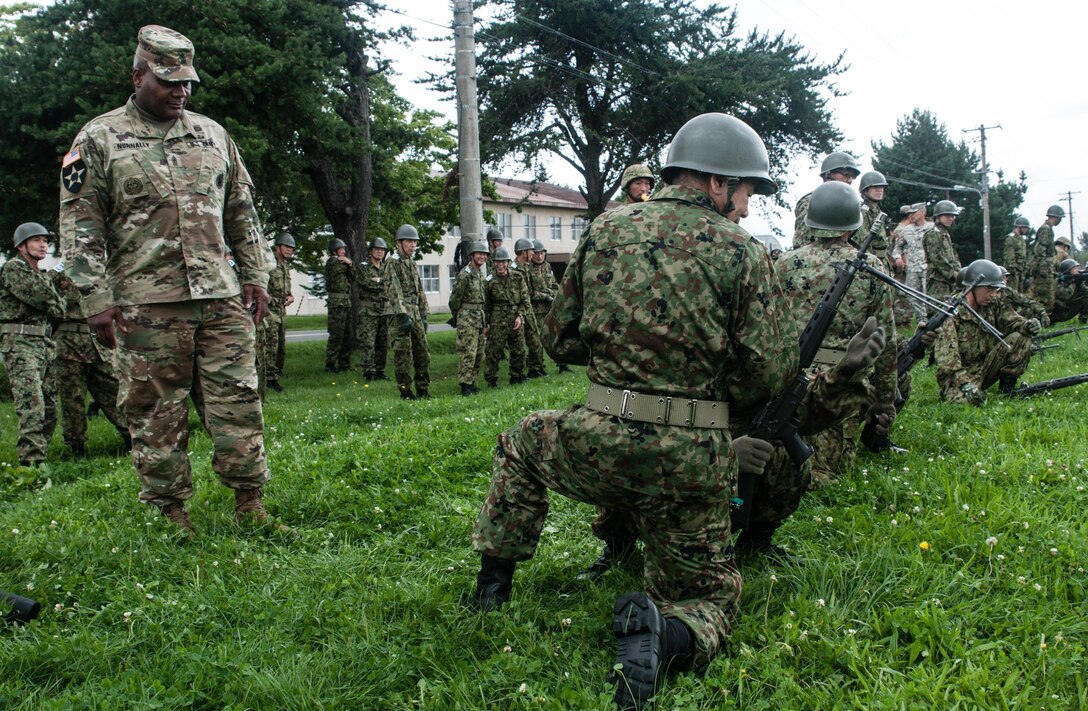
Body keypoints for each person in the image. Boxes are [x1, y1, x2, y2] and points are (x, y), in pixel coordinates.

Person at [470, 112, 795, 709]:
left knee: (522, 442)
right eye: (747, 191)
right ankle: (665, 636)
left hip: (596, 444)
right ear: (717, 183)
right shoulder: (744, 253)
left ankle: (492, 587)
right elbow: (767, 374)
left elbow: (560, 340)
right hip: (687, 465)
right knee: (704, 597)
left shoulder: (603, 230)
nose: (747, 207)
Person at [59, 25, 281, 534]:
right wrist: (95, 298)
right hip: (147, 304)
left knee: (239, 402)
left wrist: (256, 274)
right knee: (156, 412)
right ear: (138, 76)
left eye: (186, 82)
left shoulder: (212, 134)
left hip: (221, 297)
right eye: (167, 81)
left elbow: (242, 211)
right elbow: (79, 226)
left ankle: (250, 502)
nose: (180, 90)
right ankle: (170, 512)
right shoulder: (98, 138)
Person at [775, 182, 897, 489]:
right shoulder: (871, 267)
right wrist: (883, 401)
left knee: (785, 465)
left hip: (789, 382)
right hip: (841, 384)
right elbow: (884, 340)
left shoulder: (785, 263)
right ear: (852, 226)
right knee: (829, 478)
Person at [0, 223, 64, 466]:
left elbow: (60, 306)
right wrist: (55, 301)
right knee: (32, 405)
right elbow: (45, 299)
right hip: (20, 342)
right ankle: (31, 464)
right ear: (21, 245)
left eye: (45, 241)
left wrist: (55, 302)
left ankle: (40, 456)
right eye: (36, 240)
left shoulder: (39, 272)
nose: (43, 245)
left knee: (49, 407)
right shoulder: (14, 269)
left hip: (44, 343)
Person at [51, 262, 129, 456]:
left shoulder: (102, 269)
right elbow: (49, 303)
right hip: (68, 342)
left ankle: (131, 435)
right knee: (73, 397)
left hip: (96, 341)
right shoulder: (58, 272)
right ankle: (77, 447)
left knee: (114, 389)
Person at [935, 259, 1039, 403]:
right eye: (989, 289)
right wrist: (965, 384)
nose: (993, 294)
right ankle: (956, 392)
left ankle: (1007, 389)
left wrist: (1029, 326)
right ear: (973, 286)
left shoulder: (992, 305)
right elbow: (947, 360)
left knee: (1021, 337)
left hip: (985, 367)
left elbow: (1014, 322)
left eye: (995, 289)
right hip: (958, 375)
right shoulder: (952, 312)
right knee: (966, 403)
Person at [387, 224, 430, 399]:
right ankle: (405, 390)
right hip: (400, 315)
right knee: (403, 354)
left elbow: (419, 289)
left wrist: (424, 313)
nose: (413, 245)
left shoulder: (411, 263)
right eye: (409, 241)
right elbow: (393, 289)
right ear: (399, 243)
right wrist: (403, 314)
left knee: (423, 353)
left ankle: (423, 389)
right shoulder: (392, 263)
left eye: (414, 242)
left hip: (415, 311)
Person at [792, 151, 860, 248]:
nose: (850, 180)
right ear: (828, 174)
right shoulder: (811, 200)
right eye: (846, 174)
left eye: (852, 177)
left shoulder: (849, 203)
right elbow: (802, 239)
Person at [482, 247, 528, 387]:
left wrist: (520, 315)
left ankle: (517, 376)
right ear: (493, 263)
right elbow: (486, 304)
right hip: (497, 318)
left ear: (508, 263)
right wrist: (487, 324)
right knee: (494, 350)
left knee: (519, 349)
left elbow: (525, 300)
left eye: (503, 262)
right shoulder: (489, 280)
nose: (500, 265)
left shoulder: (517, 277)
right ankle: (491, 379)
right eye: (497, 262)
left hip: (515, 317)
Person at [449, 241, 488, 395]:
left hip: (479, 318)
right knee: (468, 353)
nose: (482, 257)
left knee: (478, 353)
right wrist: (459, 315)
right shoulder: (465, 274)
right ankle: (465, 385)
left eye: (484, 254)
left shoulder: (479, 274)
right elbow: (454, 299)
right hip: (467, 319)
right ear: (472, 255)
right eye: (479, 254)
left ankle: (472, 382)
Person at [529, 240, 570, 373]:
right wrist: (545, 296)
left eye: (541, 253)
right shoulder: (527, 269)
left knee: (556, 337)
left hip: (550, 310)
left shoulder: (547, 267)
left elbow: (554, 285)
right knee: (537, 341)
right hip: (536, 312)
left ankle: (562, 365)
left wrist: (553, 294)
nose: (539, 256)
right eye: (536, 253)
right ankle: (537, 368)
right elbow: (530, 293)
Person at [261, 232, 295, 392]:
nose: (289, 250)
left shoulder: (284, 265)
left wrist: (290, 296)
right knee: (271, 345)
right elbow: (262, 289)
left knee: (281, 346)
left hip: (281, 311)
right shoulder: (269, 264)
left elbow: (285, 289)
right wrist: (273, 300)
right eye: (287, 247)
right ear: (277, 247)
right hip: (269, 311)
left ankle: (276, 373)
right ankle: (269, 379)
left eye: (292, 248)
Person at [356, 236, 390, 382]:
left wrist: (378, 280)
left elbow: (391, 284)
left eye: (382, 250)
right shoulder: (364, 267)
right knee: (368, 342)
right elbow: (366, 284)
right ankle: (369, 372)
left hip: (383, 310)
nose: (379, 252)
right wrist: (382, 282)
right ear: (371, 251)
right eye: (377, 249)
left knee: (382, 342)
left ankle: (380, 371)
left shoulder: (387, 267)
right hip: (368, 311)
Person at [890, 202, 929, 322]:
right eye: (909, 213)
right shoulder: (906, 230)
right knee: (911, 296)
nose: (911, 215)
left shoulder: (931, 228)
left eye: (914, 212)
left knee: (929, 297)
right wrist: (897, 257)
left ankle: (932, 320)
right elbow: (897, 247)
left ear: (922, 212)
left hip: (928, 268)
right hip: (912, 269)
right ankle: (922, 320)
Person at [513, 237, 545, 378]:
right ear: (523, 252)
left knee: (535, 339)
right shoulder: (513, 269)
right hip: (517, 311)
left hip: (528, 307)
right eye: (531, 250)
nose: (533, 253)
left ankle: (535, 368)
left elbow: (530, 290)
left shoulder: (526, 268)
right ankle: (517, 374)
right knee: (518, 344)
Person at [324, 238, 354, 373]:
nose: (343, 251)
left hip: (346, 303)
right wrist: (348, 263)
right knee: (336, 335)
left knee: (347, 335)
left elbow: (353, 276)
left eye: (344, 249)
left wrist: (351, 264)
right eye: (341, 249)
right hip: (337, 304)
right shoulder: (332, 262)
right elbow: (341, 267)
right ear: (334, 251)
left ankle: (344, 364)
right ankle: (330, 365)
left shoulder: (345, 263)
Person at [923, 200, 963, 303]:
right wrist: (953, 274)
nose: (951, 218)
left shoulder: (944, 233)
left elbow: (952, 257)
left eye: (952, 216)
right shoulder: (933, 234)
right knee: (938, 309)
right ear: (938, 216)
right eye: (947, 215)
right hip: (937, 280)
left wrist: (960, 272)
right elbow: (936, 258)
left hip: (947, 280)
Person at [1029, 204, 1064, 311]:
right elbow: (1040, 251)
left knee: (1047, 297)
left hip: (1045, 268)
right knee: (1045, 298)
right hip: (1043, 269)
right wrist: (1044, 270)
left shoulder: (1048, 229)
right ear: (1056, 217)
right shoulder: (1045, 229)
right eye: (1060, 218)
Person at [855, 170, 890, 259]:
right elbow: (862, 242)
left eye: (881, 187)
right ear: (865, 190)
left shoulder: (878, 213)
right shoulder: (861, 212)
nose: (879, 190)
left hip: (881, 260)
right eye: (875, 187)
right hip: (869, 260)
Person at [1051, 259, 1088, 324]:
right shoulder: (1059, 281)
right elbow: (1064, 296)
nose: (1077, 270)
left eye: (1077, 267)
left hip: (1067, 309)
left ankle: (1083, 318)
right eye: (1075, 268)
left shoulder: (1075, 280)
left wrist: (1079, 283)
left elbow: (1086, 292)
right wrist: (1073, 283)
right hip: (1058, 313)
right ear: (1068, 270)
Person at [1003, 216, 1031, 292]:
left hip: (1020, 272)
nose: (1026, 230)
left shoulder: (1021, 239)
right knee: (1011, 292)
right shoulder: (1011, 238)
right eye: (1025, 228)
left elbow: (1023, 256)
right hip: (1013, 272)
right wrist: (1013, 272)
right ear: (1020, 227)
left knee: (1019, 293)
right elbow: (1009, 257)